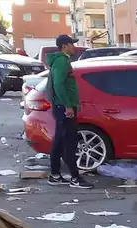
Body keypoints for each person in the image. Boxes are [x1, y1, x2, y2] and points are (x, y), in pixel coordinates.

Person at [46, 34, 93, 188]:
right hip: (64, 107)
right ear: (64, 46)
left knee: (59, 141)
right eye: (71, 44)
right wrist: (67, 105)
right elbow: (59, 85)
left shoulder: (63, 60)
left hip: (63, 107)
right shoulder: (61, 62)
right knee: (69, 142)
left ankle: (55, 175)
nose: (74, 47)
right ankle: (75, 177)